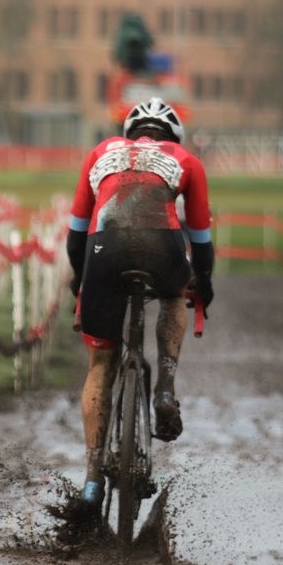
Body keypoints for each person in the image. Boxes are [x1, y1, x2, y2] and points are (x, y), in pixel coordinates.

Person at [67, 98, 214, 505]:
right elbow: (201, 239)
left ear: (130, 133)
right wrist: (203, 283)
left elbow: (76, 233)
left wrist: (81, 283)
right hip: (162, 249)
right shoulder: (186, 159)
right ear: (173, 135)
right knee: (173, 296)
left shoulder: (100, 153)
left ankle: (93, 479)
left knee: (100, 366)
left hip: (102, 251)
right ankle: (165, 388)